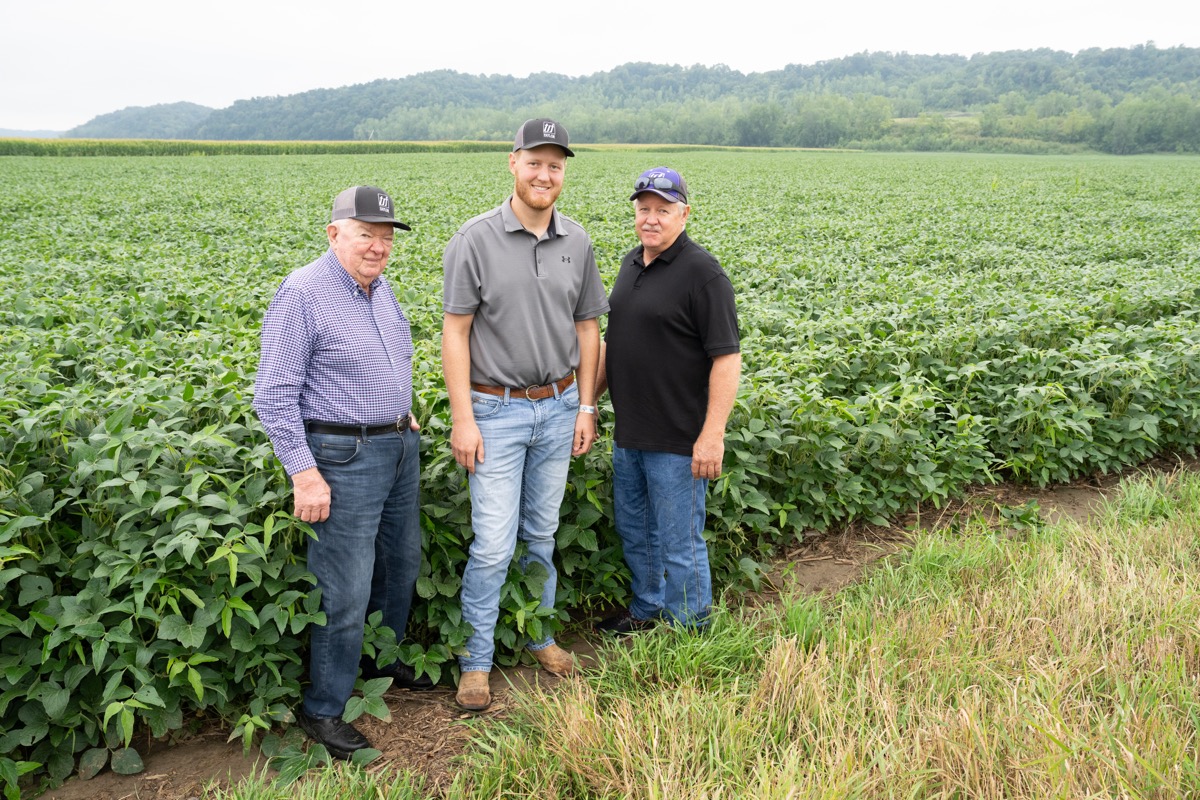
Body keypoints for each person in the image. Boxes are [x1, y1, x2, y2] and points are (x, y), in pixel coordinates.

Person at [252, 185, 431, 760]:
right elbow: (274, 395)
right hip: (342, 457)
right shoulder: (302, 292)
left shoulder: (381, 290)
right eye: (365, 234)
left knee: (400, 565)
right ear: (334, 234)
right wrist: (305, 474)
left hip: (398, 448)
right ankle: (324, 708)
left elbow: (390, 358)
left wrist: (401, 412)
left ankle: (383, 662)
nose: (378, 246)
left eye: (385, 237)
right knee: (345, 586)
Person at [442, 119, 608, 711]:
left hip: (560, 405)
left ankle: (539, 634)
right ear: (512, 163)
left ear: (564, 172)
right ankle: (476, 661)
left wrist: (586, 405)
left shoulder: (578, 241)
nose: (545, 174)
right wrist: (464, 418)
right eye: (535, 162)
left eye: (555, 165)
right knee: (492, 542)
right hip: (496, 410)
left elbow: (589, 329)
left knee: (541, 533)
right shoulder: (475, 239)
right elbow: (455, 333)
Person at [594, 167, 741, 634]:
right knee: (637, 533)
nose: (651, 219)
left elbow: (727, 359)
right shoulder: (630, 263)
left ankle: (691, 630)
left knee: (679, 541)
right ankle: (647, 609)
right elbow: (613, 344)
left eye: (663, 210)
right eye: (644, 209)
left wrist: (712, 434)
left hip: (679, 437)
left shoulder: (703, 274)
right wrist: (588, 403)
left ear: (684, 213)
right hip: (630, 431)